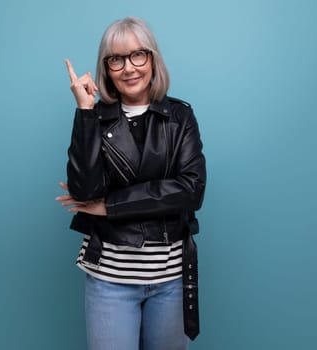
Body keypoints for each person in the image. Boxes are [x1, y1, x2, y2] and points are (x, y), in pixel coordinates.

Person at [56, 16, 206, 350]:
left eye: (138, 55)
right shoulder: (94, 118)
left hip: (170, 278)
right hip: (110, 278)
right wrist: (84, 110)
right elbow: (83, 192)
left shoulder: (180, 117)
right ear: (106, 68)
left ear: (152, 59)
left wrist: (111, 205)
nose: (129, 68)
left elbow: (191, 190)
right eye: (116, 59)